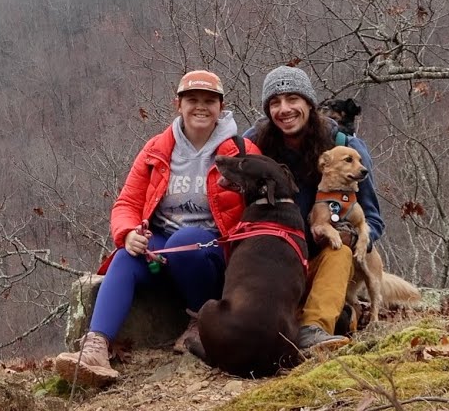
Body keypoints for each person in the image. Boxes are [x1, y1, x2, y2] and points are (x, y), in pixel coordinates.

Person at [53, 70, 261, 386]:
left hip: (215, 251)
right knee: (125, 257)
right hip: (163, 242)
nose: (200, 107)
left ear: (221, 107)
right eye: (192, 100)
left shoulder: (242, 152)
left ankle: (200, 321)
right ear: (178, 105)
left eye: (209, 101)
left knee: (186, 241)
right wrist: (128, 233)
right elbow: (127, 202)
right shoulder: (157, 149)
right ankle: (96, 347)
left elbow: (262, 209)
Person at [244, 66, 385, 353]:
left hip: (324, 258)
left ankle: (314, 330)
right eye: (275, 102)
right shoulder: (254, 143)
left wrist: (352, 236)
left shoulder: (344, 146)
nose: (284, 109)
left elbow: (372, 218)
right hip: (277, 256)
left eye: (293, 99)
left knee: (339, 251)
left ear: (309, 103)